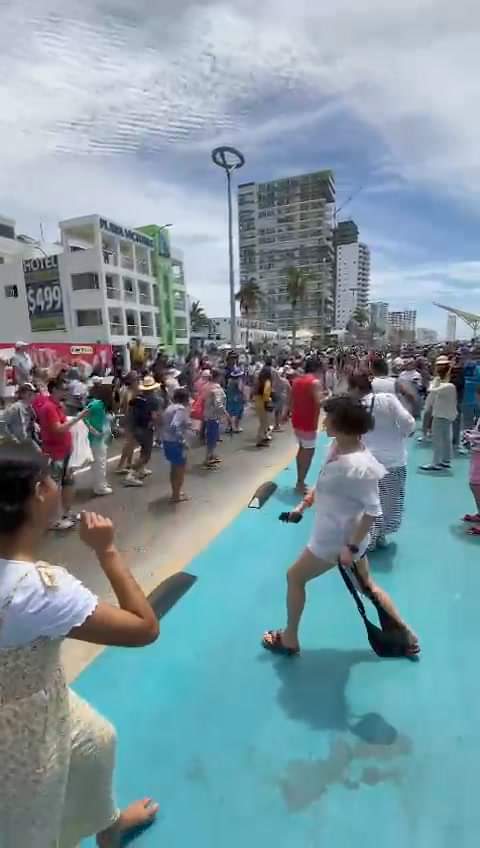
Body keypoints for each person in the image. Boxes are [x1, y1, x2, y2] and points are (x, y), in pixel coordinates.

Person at [0, 442, 159, 847]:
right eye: (51, 478)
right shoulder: (37, 589)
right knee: (28, 825)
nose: (57, 486)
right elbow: (144, 628)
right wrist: (107, 550)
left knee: (96, 742)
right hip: (20, 727)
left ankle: (107, 825)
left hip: (42, 695)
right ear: (37, 494)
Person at [262, 395, 419, 657]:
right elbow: (326, 482)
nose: (324, 424)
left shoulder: (359, 466)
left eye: (329, 419)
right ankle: (406, 634)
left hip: (337, 540)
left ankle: (289, 638)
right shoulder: (338, 448)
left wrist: (350, 547)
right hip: (341, 535)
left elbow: (372, 511)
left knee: (295, 577)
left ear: (342, 424)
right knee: (367, 585)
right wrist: (303, 506)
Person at [348, 372, 415, 550]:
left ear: (356, 388)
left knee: (367, 502)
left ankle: (369, 537)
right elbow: (408, 421)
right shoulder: (388, 399)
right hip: (394, 460)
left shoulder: (355, 407)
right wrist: (402, 435)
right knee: (390, 500)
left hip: (367, 462)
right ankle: (380, 534)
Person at [36, 378, 88, 530]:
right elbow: (58, 429)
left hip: (65, 451)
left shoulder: (58, 406)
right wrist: (79, 418)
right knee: (54, 487)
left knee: (68, 483)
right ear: (54, 390)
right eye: (62, 389)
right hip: (55, 453)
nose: (66, 391)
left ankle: (66, 513)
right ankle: (52, 520)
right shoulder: (49, 408)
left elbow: (63, 425)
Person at [290, 358, 324, 492]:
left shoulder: (297, 381)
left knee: (302, 449)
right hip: (308, 422)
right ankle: (300, 483)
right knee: (308, 452)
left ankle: (300, 480)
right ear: (318, 369)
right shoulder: (315, 382)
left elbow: (291, 400)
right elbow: (320, 402)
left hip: (297, 420)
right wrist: (330, 397)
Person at [420, 357, 457, 472]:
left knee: (438, 439)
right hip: (445, 414)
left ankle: (436, 462)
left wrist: (434, 382)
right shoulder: (444, 383)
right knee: (446, 438)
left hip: (441, 414)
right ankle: (446, 460)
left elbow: (431, 390)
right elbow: (431, 398)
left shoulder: (448, 385)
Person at [124, 375, 161, 487]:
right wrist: (156, 426)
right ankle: (131, 475)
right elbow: (154, 416)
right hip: (146, 428)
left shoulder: (137, 398)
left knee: (143, 449)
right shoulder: (154, 400)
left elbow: (130, 410)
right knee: (146, 454)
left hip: (136, 427)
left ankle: (141, 469)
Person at [162, 388, 192, 503]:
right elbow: (175, 426)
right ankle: (176, 495)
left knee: (174, 468)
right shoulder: (180, 409)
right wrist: (182, 441)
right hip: (175, 443)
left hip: (167, 441)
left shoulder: (170, 407)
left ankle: (176, 492)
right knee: (180, 469)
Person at [84, 383, 113, 496]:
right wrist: (92, 430)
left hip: (101, 438)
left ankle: (101, 484)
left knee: (100, 462)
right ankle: (100, 487)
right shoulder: (96, 404)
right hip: (96, 439)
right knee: (99, 463)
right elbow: (82, 416)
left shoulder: (101, 405)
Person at [462, 386, 480, 534]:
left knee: (476, 484)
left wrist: (472, 437)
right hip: (476, 452)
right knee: (475, 484)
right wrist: (472, 433)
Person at [202, 369, 227, 468]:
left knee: (211, 436)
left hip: (208, 414)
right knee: (212, 437)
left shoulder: (207, 386)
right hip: (214, 415)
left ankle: (211, 455)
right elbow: (218, 404)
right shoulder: (216, 388)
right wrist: (226, 414)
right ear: (219, 377)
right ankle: (208, 458)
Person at [3, 383, 39, 448]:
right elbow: (2, 423)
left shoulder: (30, 409)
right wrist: (12, 439)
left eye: (33, 393)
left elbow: (29, 424)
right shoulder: (15, 408)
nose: (33, 395)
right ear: (22, 394)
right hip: (17, 446)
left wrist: (35, 426)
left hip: (28, 443)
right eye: (30, 393)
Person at [254, 365, 273, 448]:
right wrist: (268, 401)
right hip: (263, 403)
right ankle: (259, 440)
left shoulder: (259, 381)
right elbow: (266, 394)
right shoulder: (267, 382)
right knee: (264, 423)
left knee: (263, 421)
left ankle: (264, 436)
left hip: (258, 402)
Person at [225, 367, 245, 433]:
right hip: (237, 398)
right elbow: (240, 389)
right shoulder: (239, 380)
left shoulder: (229, 380)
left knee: (229, 412)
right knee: (237, 413)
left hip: (229, 397)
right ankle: (236, 427)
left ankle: (228, 427)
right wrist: (244, 395)